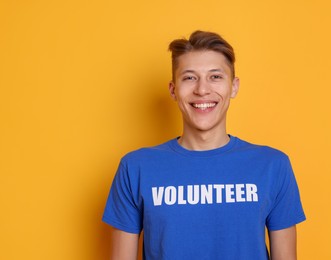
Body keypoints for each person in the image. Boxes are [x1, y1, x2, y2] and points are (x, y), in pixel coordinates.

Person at [103, 30, 306, 260]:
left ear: (234, 87)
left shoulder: (273, 166)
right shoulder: (135, 168)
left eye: (215, 77)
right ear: (173, 89)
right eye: (189, 77)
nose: (202, 90)